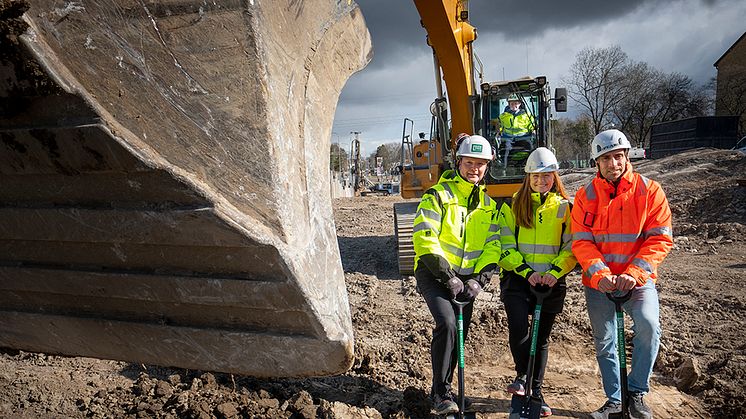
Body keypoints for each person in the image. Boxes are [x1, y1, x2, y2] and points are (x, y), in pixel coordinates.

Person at [571, 129, 673, 419]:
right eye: (606, 158)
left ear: (627, 156)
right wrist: (600, 273)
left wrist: (635, 273)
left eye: (618, 156)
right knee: (605, 342)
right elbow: (581, 241)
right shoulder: (585, 195)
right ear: (597, 163)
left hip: (638, 282)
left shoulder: (650, 191)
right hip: (599, 284)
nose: (613, 163)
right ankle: (614, 400)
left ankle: (637, 392)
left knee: (648, 326)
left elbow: (660, 238)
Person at [412, 134, 501, 415]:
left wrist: (479, 280)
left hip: (467, 281)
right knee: (448, 324)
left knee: (459, 336)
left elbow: (493, 246)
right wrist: (448, 276)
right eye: (470, 162)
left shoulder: (488, 206)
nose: (475, 168)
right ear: (459, 162)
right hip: (434, 274)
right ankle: (439, 393)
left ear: (487, 167)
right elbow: (425, 238)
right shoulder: (438, 195)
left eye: (481, 164)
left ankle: (447, 390)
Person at [497, 147, 576, 418]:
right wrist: (526, 271)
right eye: (536, 176)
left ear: (554, 177)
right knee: (519, 328)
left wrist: (553, 273)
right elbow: (504, 244)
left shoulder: (565, 208)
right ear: (527, 177)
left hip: (551, 280)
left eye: (547, 176)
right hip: (518, 279)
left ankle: (535, 391)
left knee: (540, 339)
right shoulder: (513, 204)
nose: (541, 181)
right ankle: (522, 378)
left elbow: (571, 247)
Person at [498, 94, 536, 172]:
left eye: (516, 103)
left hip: (523, 138)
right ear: (508, 104)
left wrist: (533, 130)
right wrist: (498, 130)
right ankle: (504, 170)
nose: (514, 105)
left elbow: (532, 126)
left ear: (519, 104)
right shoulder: (503, 116)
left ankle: (532, 169)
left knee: (531, 148)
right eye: (511, 103)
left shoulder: (527, 116)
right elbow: (499, 126)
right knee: (504, 151)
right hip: (508, 138)